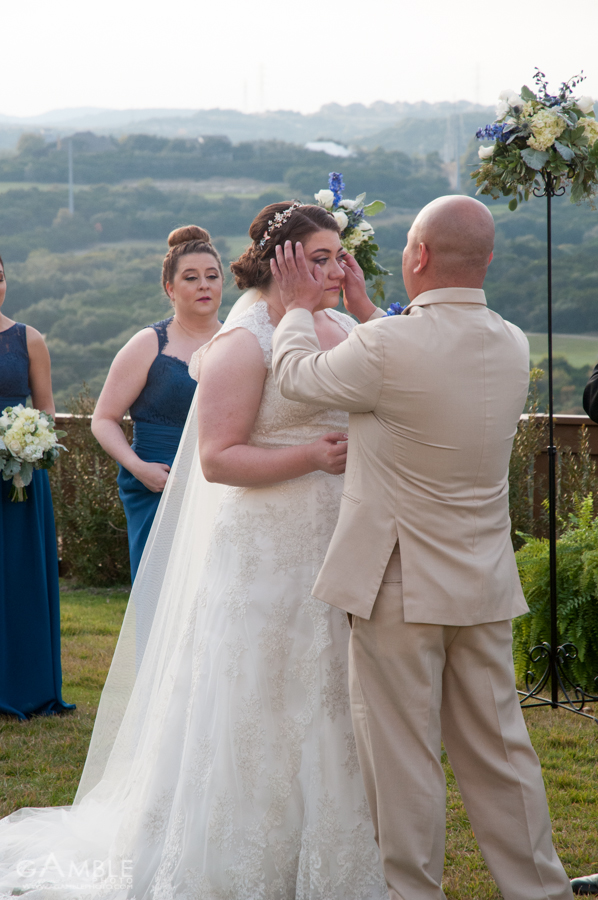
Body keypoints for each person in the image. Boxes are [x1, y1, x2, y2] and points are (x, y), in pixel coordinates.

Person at [0, 203, 387, 900]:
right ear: (284, 264)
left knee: (329, 700)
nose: (336, 270)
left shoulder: (346, 327)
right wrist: (308, 455)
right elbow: (217, 459)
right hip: (263, 552)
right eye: (322, 258)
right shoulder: (243, 345)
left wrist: (360, 304)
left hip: (335, 544)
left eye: (341, 256)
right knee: (252, 699)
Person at [270, 195, 574, 900]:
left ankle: (413, 894)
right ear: (488, 260)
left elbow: (297, 379)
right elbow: (416, 367)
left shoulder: (386, 348)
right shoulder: (510, 341)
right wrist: (370, 309)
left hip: (397, 586)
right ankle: (540, 892)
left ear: (418, 256)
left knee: (403, 761)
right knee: (502, 755)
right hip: (482, 582)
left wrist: (291, 306)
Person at [91, 225, 223, 583]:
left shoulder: (237, 343)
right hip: (156, 485)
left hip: (221, 485)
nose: (204, 285)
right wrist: (138, 468)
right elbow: (103, 419)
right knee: (161, 587)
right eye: (191, 277)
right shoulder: (149, 344)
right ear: (170, 288)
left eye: (212, 276)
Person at [0, 253, 74, 720]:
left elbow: (46, 412)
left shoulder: (30, 340)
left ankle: (26, 683)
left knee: (18, 577)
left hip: (18, 483)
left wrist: (28, 442)